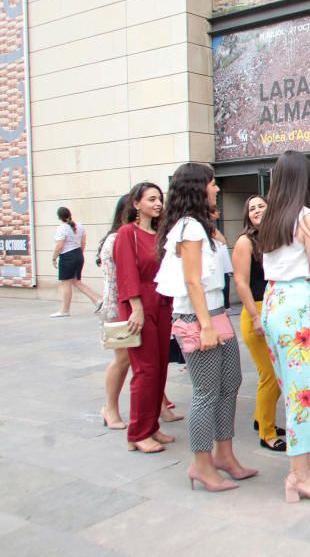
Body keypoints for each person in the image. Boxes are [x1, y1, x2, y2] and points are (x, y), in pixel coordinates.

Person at [155, 164, 255, 491]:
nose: (216, 189)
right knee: (206, 393)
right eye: (212, 184)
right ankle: (201, 464)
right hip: (200, 318)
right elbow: (191, 281)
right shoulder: (190, 229)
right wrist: (205, 326)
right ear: (199, 189)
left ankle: (224, 455)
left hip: (215, 313)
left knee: (230, 384)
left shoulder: (201, 227)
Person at [259, 150, 310, 502]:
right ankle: (297, 474)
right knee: (305, 394)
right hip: (298, 307)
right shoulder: (307, 218)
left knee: (300, 390)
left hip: (276, 302)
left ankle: (308, 466)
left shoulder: (272, 217)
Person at [114, 183, 174, 453]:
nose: (158, 203)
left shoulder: (159, 235)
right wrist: (136, 307)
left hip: (162, 303)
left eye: (160, 199)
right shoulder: (128, 233)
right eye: (151, 199)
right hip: (139, 304)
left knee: (161, 367)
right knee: (145, 369)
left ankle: (151, 426)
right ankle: (137, 432)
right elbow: (126, 272)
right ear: (136, 204)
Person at [232, 195, 286, 452]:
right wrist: (255, 317)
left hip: (275, 310)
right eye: (251, 207)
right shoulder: (245, 242)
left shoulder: (275, 238)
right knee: (271, 376)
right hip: (256, 311)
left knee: (278, 374)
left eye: (261, 206)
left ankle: (262, 419)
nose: (256, 211)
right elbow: (241, 282)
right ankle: (266, 432)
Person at [96, 194, 133, 430]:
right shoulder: (117, 239)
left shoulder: (126, 236)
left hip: (127, 306)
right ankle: (109, 408)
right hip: (118, 308)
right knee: (122, 360)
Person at [51, 206, 101, 317]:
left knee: (66, 283)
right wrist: (79, 254)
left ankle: (65, 310)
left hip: (67, 256)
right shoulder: (80, 226)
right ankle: (98, 300)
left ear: (59, 217)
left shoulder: (62, 228)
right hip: (78, 254)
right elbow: (83, 243)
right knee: (76, 281)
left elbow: (59, 245)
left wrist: (54, 258)